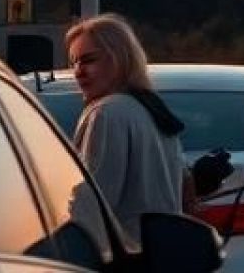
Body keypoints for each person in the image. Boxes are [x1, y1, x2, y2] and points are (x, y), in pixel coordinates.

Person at [64, 14, 189, 245]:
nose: (78, 71)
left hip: (123, 257)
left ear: (118, 59)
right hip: (161, 254)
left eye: (89, 60)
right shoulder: (153, 110)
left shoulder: (107, 113)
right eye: (74, 63)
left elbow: (92, 204)